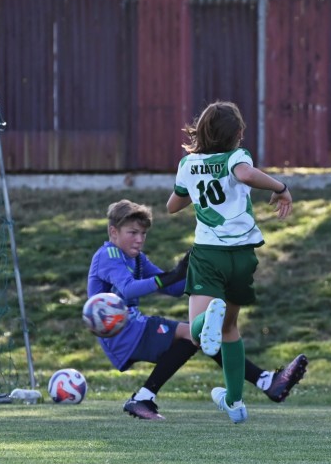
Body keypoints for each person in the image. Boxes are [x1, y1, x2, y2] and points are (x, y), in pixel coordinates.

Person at [88, 199, 307, 421]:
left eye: (143, 233)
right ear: (113, 232)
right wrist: (171, 276)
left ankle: (144, 397)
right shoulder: (109, 255)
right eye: (133, 233)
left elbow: (173, 288)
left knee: (197, 335)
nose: (139, 239)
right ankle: (266, 381)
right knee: (195, 333)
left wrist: (198, 273)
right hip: (121, 332)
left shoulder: (137, 260)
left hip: (133, 327)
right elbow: (129, 288)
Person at [167, 100, 293, 423]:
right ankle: (234, 403)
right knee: (229, 328)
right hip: (243, 256)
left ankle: (207, 318)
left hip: (209, 254)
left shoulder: (188, 164)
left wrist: (196, 188)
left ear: (201, 132)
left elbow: (172, 206)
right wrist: (281, 187)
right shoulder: (237, 156)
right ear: (238, 133)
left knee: (199, 334)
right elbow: (244, 174)